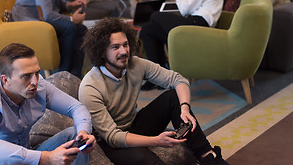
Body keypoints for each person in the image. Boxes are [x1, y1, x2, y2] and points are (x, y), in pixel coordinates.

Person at [79, 17, 229, 165]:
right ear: (101, 53)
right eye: (115, 47)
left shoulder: (136, 64)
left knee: (173, 97)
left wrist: (185, 107)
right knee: (147, 159)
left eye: (125, 44)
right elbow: (113, 136)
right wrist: (156, 141)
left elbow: (178, 80)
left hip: (133, 125)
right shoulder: (90, 87)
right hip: (109, 142)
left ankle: (209, 158)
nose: (124, 51)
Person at [0, 43, 96, 164]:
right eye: (26, 76)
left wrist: (84, 132)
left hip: (30, 155)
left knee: (76, 135)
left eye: (36, 73)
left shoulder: (39, 85)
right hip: (2, 161)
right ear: (5, 80)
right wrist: (47, 158)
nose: (35, 81)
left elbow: (76, 107)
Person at [139, 0, 223, 90]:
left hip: (198, 25)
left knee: (155, 16)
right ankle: (157, 77)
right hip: (198, 22)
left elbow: (185, 9)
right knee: (148, 29)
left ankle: (162, 75)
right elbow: (192, 6)